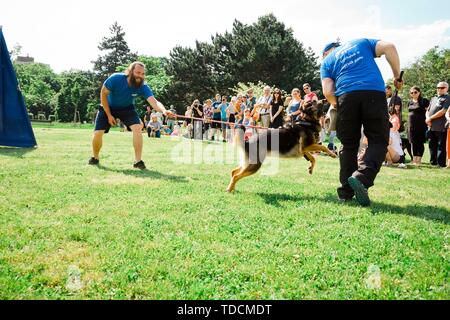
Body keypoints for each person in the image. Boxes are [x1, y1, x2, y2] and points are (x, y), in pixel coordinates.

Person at [321, 39, 403, 206]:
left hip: (345, 96)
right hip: (373, 91)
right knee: (378, 140)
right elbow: (389, 46)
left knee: (348, 144)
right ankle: (362, 177)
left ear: (325, 53)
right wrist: (396, 76)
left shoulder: (327, 62)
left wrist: (340, 104)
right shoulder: (360, 42)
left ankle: (346, 192)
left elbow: (328, 92)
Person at [88, 61, 173, 169]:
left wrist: (164, 111)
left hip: (127, 108)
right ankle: (95, 158)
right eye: (138, 72)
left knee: (138, 127)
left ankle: (138, 161)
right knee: (98, 133)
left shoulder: (142, 86)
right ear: (130, 72)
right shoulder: (115, 79)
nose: (140, 76)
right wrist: (109, 115)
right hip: (107, 107)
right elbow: (103, 93)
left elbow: (154, 102)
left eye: (142, 74)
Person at [426, 81, 449, 167]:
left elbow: (443, 111)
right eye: (438, 87)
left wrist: (430, 118)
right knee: (432, 145)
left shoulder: (447, 98)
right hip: (431, 126)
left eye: (442, 88)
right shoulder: (433, 98)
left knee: (441, 146)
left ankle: (441, 163)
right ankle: (433, 162)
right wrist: (427, 118)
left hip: (441, 126)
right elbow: (427, 110)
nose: (439, 89)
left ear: (447, 88)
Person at [407, 86, 429, 165]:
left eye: (415, 92)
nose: (413, 94)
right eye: (412, 93)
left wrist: (428, 121)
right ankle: (414, 159)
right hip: (410, 126)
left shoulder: (424, 101)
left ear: (419, 92)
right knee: (413, 143)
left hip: (421, 126)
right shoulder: (409, 102)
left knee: (420, 142)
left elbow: (428, 112)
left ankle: (419, 160)